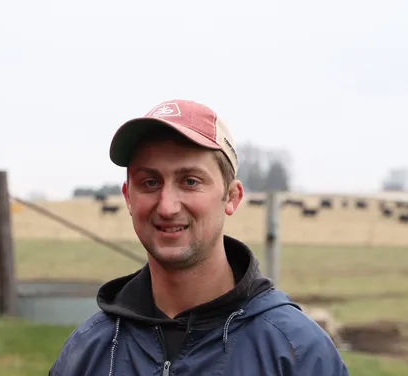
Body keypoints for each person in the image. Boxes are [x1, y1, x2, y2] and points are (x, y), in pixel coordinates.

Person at [48, 99, 349, 376]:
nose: (167, 206)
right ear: (128, 197)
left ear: (231, 196)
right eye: (150, 182)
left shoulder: (296, 351)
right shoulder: (89, 352)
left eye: (190, 181)